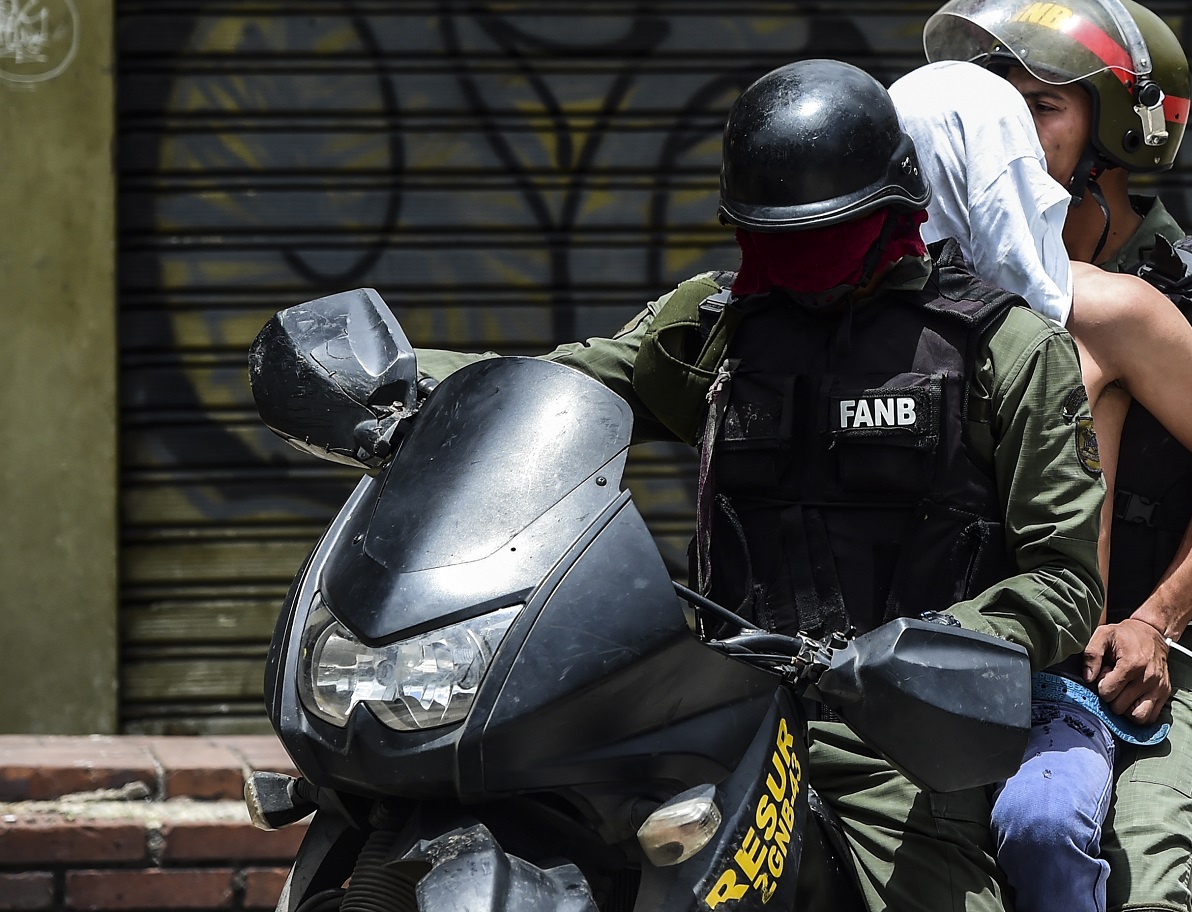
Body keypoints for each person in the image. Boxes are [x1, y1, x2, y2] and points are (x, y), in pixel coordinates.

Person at [420, 58, 1106, 912]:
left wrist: (925, 647)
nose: (795, 255)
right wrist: (403, 383)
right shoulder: (718, 327)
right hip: (709, 714)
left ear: (892, 208)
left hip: (894, 743)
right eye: (772, 232)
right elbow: (555, 391)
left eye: (824, 229)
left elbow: (1066, 581)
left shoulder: (1004, 349)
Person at [923, 0, 1192, 911]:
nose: (1012, 131)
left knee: (1147, 872)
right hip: (999, 671)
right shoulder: (960, 294)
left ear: (1114, 131)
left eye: (1045, 106)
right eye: (997, 106)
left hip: (1174, 675)